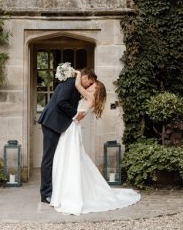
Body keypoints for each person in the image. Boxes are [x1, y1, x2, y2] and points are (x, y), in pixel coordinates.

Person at [49, 70, 140, 215]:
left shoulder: (90, 97)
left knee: (70, 158)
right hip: (72, 128)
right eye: (92, 84)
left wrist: (77, 73)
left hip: (72, 129)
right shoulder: (90, 99)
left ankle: (69, 194)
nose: (90, 86)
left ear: (97, 90)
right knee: (69, 157)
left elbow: (78, 85)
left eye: (93, 85)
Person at [38, 68, 97, 203]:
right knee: (48, 159)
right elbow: (60, 102)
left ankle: (55, 190)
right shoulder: (70, 83)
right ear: (86, 77)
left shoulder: (75, 85)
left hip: (58, 125)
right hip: (51, 123)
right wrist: (76, 115)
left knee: (57, 158)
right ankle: (45, 193)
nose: (88, 86)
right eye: (90, 83)